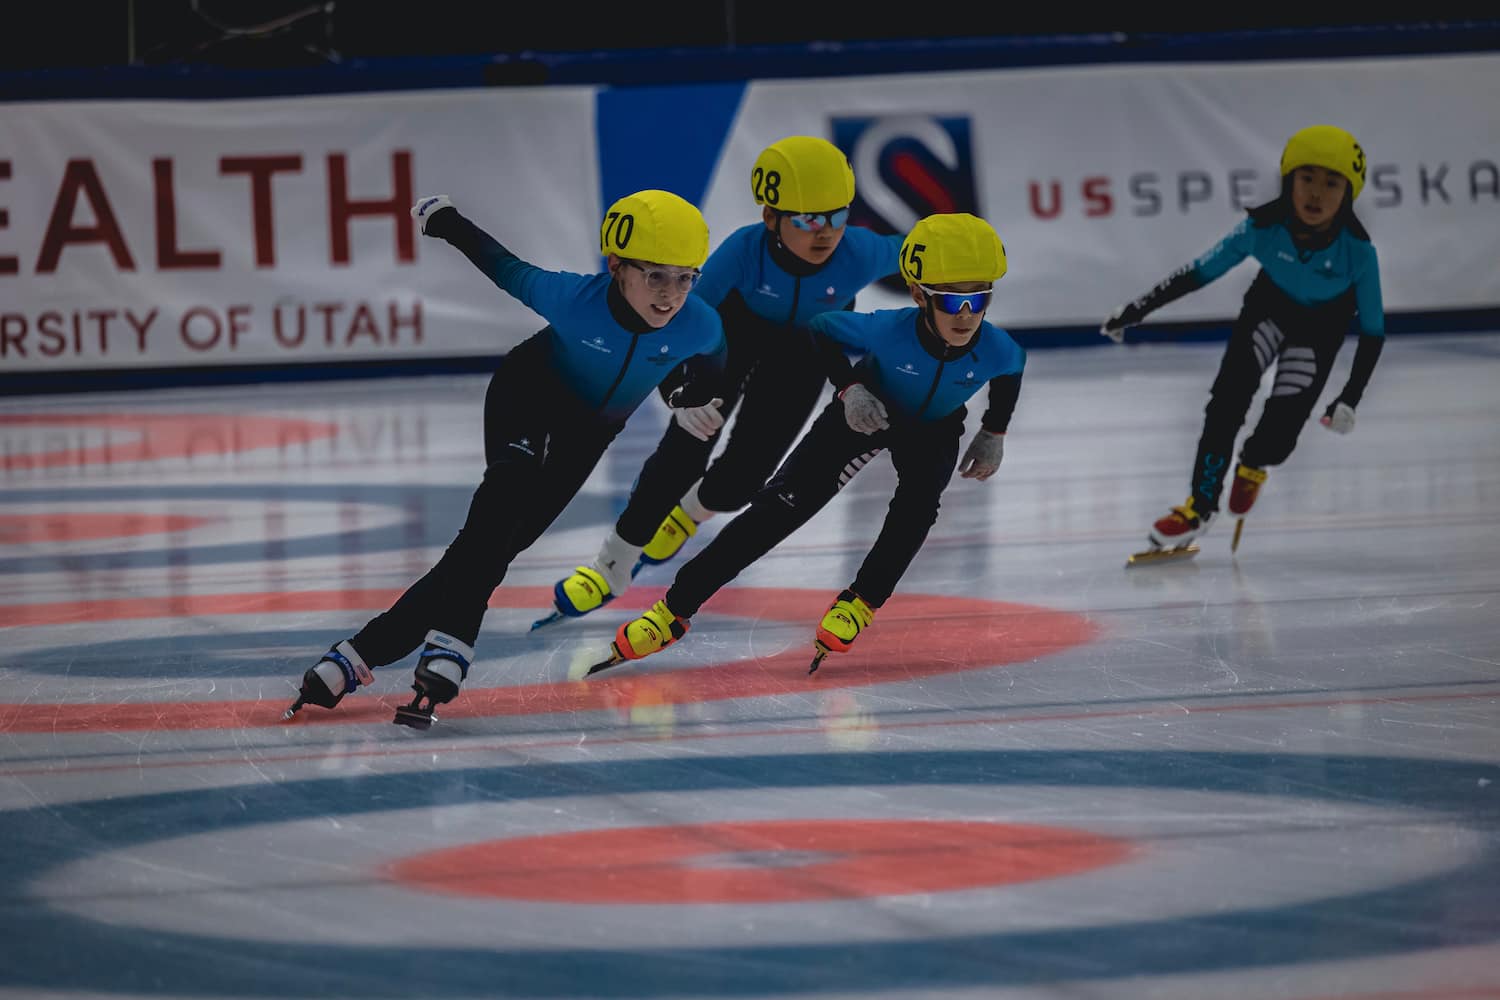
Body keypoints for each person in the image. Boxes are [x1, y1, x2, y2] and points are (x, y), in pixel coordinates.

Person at [282, 188, 727, 728]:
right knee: (505, 495)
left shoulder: (700, 323)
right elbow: (503, 266)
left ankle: (358, 655)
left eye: (686, 278)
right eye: (656, 275)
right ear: (617, 267)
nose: (671, 294)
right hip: (528, 394)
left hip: (586, 439)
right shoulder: (569, 298)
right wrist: (445, 219)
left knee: (492, 547)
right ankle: (454, 640)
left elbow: (709, 364)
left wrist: (687, 395)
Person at [587, 212, 1022, 675]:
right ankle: (674, 609)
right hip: (863, 413)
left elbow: (1011, 369)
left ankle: (861, 601)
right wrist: (849, 389)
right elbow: (821, 329)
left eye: (979, 299)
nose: (967, 315)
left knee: (918, 507)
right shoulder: (884, 328)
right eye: (952, 301)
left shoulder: (998, 348)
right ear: (917, 295)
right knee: (777, 508)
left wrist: (993, 429)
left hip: (933, 430)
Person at [534, 135, 907, 630]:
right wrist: (677, 393)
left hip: (803, 356)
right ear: (770, 217)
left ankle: (686, 516)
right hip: (731, 339)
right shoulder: (741, 252)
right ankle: (612, 564)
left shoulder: (861, 252)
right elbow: (674, 318)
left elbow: (935, 255)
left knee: (740, 485)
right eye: (808, 219)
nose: (826, 233)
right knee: (685, 447)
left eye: (837, 216)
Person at [1102, 124, 1385, 556]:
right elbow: (1199, 271)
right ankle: (1199, 506)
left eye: (1331, 183)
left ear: (1348, 194)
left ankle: (1253, 465)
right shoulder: (1262, 227)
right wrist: (1137, 309)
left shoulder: (1360, 253)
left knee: (1278, 435)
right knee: (1225, 404)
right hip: (1267, 311)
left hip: (1320, 330)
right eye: (1306, 178)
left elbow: (1372, 331)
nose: (1315, 194)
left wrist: (1350, 397)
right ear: (1289, 181)